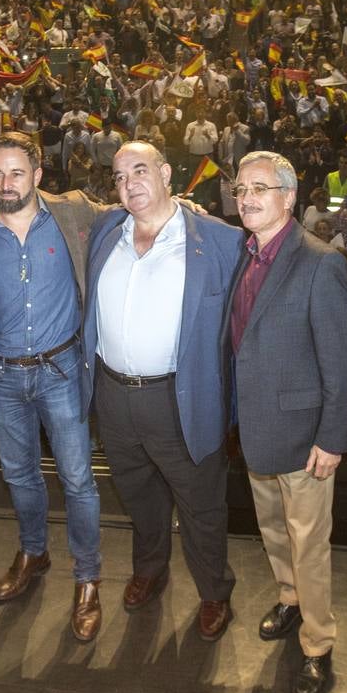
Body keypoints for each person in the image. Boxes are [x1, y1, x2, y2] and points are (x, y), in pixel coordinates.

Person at [80, 141, 244, 641]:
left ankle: (215, 591)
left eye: (140, 170)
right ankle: (150, 569)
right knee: (137, 495)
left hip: (181, 399)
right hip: (113, 397)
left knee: (200, 504)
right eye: (119, 175)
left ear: (167, 173)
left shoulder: (219, 240)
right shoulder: (106, 230)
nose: (129, 182)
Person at [0, 132, 105, 642]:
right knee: (19, 477)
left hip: (61, 371)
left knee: (78, 481)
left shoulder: (75, 213)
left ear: (38, 175)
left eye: (17, 173)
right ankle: (33, 552)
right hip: (0, 376)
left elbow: (132, 214)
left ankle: (86, 579)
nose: (5, 183)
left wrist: (182, 203)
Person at [225, 150, 347, 693]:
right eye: (240, 189)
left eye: (260, 188)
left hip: (306, 438)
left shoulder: (319, 261)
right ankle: (289, 599)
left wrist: (332, 437)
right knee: (275, 532)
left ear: (289, 197)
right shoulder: (246, 252)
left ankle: (317, 645)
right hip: (256, 430)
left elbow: (344, 360)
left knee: (310, 545)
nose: (247, 198)